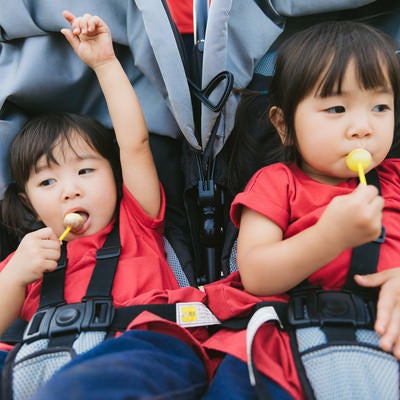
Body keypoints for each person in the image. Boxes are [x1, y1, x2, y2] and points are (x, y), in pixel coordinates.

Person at [0, 11, 210, 399]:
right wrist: (14, 277)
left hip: (139, 349)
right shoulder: (31, 256)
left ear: (115, 177)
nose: (69, 190)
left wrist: (105, 63)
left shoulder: (137, 219)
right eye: (48, 181)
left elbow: (135, 143)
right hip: (46, 356)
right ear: (28, 201)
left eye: (85, 171)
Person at [201, 20, 400, 399]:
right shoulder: (277, 183)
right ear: (284, 125)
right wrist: (330, 238)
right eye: (337, 108)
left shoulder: (395, 177)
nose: (362, 127)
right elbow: (257, 274)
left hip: (387, 332)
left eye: (380, 106)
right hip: (284, 341)